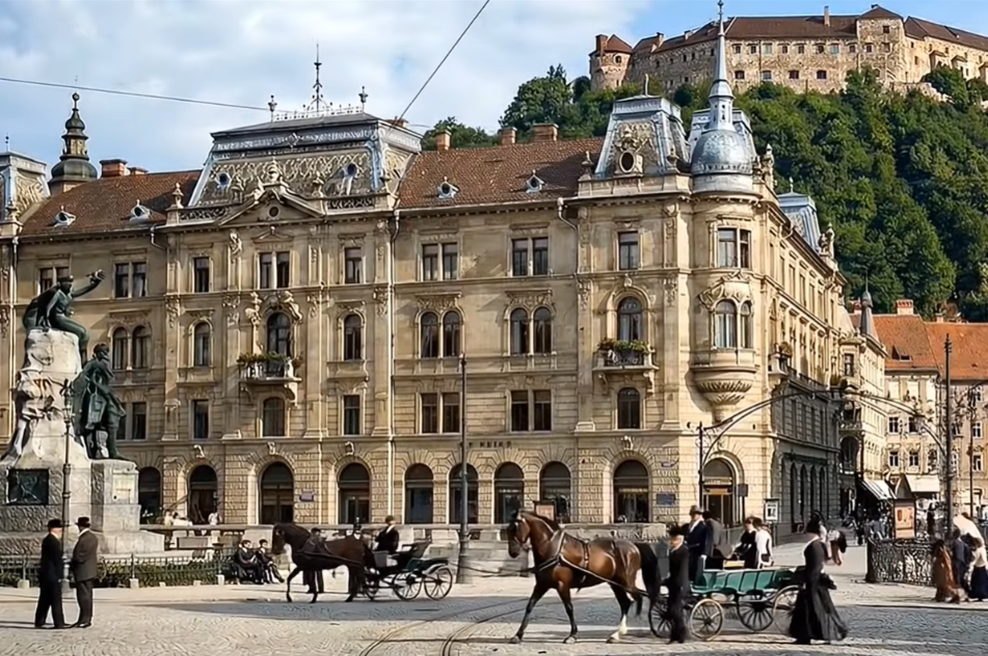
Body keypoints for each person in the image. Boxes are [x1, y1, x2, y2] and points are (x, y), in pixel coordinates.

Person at [788, 518, 848, 645]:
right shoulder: (818, 545)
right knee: (816, 610)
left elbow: (815, 567)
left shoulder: (814, 546)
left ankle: (809, 635)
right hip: (816, 581)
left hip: (813, 582)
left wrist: (808, 582)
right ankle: (811, 635)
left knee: (811, 610)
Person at [35, 519, 67, 630]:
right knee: (55, 600)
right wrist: (60, 575)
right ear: (56, 529)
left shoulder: (48, 540)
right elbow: (56, 560)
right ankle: (59, 622)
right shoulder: (53, 541)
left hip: (47, 575)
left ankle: (40, 620)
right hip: (52, 575)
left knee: (45, 599)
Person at [663, 524, 690, 644]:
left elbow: (682, 571)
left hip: (680, 584)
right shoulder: (672, 551)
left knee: (676, 610)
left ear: (678, 539)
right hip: (673, 584)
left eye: (672, 539)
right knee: (671, 610)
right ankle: (674, 634)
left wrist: (679, 584)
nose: (670, 541)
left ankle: (682, 633)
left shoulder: (684, 551)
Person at [70, 516, 98, 628]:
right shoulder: (92, 537)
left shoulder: (85, 538)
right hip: (89, 571)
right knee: (87, 596)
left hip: (83, 571)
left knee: (83, 597)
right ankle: (84, 618)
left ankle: (85, 619)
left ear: (80, 527)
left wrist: (73, 562)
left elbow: (80, 556)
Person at [685, 506, 707, 581]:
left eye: (695, 514)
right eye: (692, 514)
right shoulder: (689, 525)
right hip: (689, 551)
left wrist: (704, 552)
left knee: (695, 569)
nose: (693, 516)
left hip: (697, 551)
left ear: (700, 515)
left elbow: (705, 540)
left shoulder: (703, 526)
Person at [950, 528, 973, 595]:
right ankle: (963, 592)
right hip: (962, 562)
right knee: (961, 577)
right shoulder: (963, 544)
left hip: (956, 561)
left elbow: (951, 552)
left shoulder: (954, 543)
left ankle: (959, 593)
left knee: (957, 578)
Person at [303, 527, 325, 595]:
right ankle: (312, 588)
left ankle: (320, 588)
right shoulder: (309, 540)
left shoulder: (320, 540)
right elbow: (306, 548)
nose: (315, 534)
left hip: (318, 558)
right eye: (313, 533)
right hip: (311, 558)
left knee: (319, 574)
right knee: (311, 575)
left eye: (316, 532)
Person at [969, 537, 988, 601]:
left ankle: (978, 595)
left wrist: (971, 565)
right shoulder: (983, 549)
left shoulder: (978, 550)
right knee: (983, 582)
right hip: (983, 567)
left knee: (977, 583)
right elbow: (984, 559)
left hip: (978, 568)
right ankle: (983, 595)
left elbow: (975, 559)